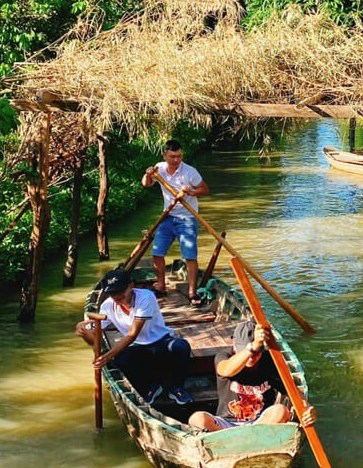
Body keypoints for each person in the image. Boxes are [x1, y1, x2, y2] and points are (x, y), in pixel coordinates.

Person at [76, 267, 193, 404]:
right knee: (121, 359)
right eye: (112, 293)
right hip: (138, 347)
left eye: (120, 292)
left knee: (181, 347)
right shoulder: (107, 306)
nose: (117, 297)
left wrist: (107, 356)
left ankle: (176, 387)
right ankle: (150, 387)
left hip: (161, 342)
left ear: (131, 286)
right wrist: (84, 333)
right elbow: (94, 341)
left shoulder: (146, 297)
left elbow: (132, 334)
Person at [188, 320, 315, 431]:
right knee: (197, 419)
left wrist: (307, 409)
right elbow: (226, 370)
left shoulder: (270, 361)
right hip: (226, 425)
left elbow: (292, 390)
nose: (252, 357)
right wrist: (252, 347)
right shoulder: (224, 356)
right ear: (234, 346)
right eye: (247, 351)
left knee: (281, 411)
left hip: (261, 424)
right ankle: (225, 440)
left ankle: (252, 438)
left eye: (257, 352)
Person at [142, 139, 210, 305]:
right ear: (165, 155)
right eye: (172, 156)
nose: (176, 160)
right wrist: (148, 175)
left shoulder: (189, 171)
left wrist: (191, 192)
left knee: (190, 255)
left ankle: (192, 293)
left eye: (179, 156)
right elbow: (146, 184)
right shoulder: (159, 169)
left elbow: (205, 189)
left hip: (187, 218)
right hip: (168, 217)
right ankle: (161, 286)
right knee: (157, 253)